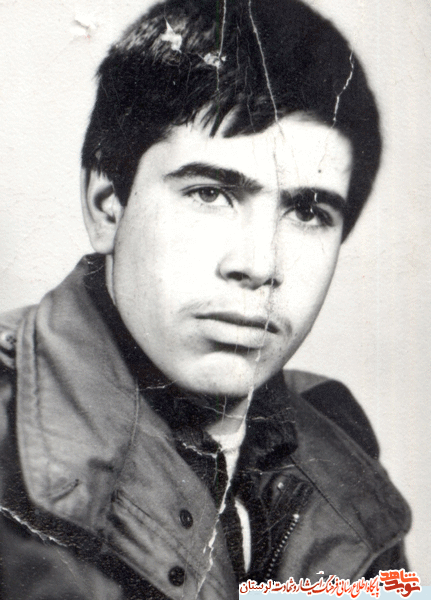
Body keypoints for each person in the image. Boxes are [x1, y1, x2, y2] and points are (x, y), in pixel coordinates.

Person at [0, 0, 411, 598]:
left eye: (307, 211)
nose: (259, 265)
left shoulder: (339, 446)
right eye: (210, 193)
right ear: (107, 205)